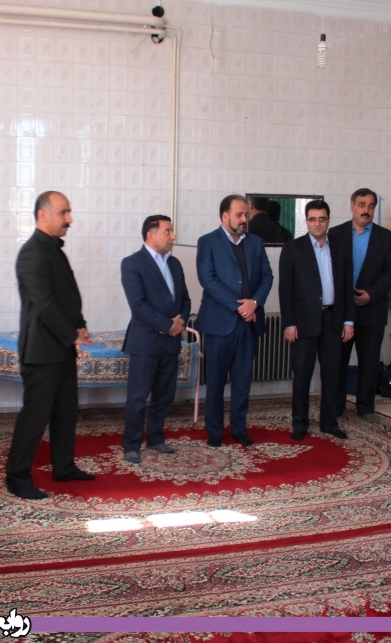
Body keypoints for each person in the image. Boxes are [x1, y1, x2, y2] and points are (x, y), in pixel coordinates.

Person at [6, 190, 96, 500]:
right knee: (35, 418)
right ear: (42, 215)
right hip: (42, 351)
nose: (69, 219)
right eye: (63, 213)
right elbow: (44, 303)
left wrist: (80, 325)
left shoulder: (54, 250)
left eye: (69, 212)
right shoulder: (32, 253)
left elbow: (66, 295)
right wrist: (72, 335)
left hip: (60, 349)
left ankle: (64, 467)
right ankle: (17, 478)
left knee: (65, 413)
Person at [195, 194, 274, 447]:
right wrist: (240, 307)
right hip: (220, 323)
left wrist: (255, 302)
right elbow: (207, 279)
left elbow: (267, 276)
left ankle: (239, 428)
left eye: (246, 215)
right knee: (216, 382)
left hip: (249, 323)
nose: (244, 219)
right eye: (239, 215)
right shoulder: (208, 242)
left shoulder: (255, 242)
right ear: (225, 216)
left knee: (242, 381)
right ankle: (215, 432)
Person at [279, 199, 355, 440]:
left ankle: (329, 423)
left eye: (322, 219)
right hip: (303, 323)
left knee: (332, 375)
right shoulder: (293, 248)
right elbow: (285, 290)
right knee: (302, 376)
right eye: (312, 219)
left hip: (333, 319)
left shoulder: (341, 247)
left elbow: (346, 286)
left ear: (328, 220)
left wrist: (349, 321)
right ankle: (299, 424)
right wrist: (289, 323)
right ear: (306, 221)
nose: (317, 223)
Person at [119, 215, 191, 464]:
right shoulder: (132, 263)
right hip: (146, 342)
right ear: (151, 235)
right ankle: (131, 445)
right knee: (138, 397)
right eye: (167, 231)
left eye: (172, 231)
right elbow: (138, 305)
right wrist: (168, 326)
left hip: (170, 343)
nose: (173, 237)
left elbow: (185, 299)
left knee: (164, 395)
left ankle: (156, 438)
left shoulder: (175, 263)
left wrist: (180, 322)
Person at [330, 188, 391, 423]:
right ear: (352, 206)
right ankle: (336, 405)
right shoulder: (335, 234)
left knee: (369, 361)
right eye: (362, 205)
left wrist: (371, 294)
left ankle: (366, 406)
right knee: (338, 361)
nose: (366, 210)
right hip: (342, 310)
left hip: (372, 308)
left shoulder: (388, 238)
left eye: (371, 206)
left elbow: (390, 272)